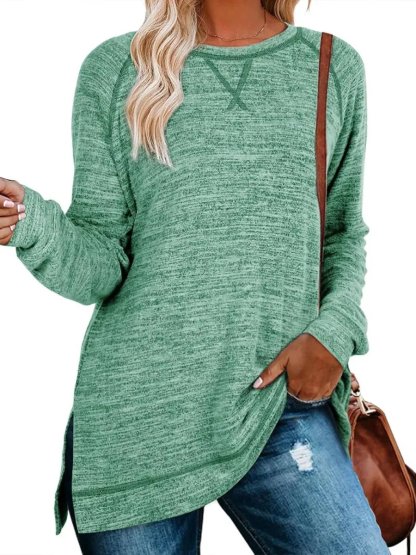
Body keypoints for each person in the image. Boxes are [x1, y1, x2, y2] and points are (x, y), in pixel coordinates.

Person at [0, 0, 391, 553]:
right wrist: (30, 223)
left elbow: (342, 232)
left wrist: (334, 332)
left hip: (276, 402)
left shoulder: (330, 65)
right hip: (140, 419)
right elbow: (102, 262)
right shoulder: (117, 70)